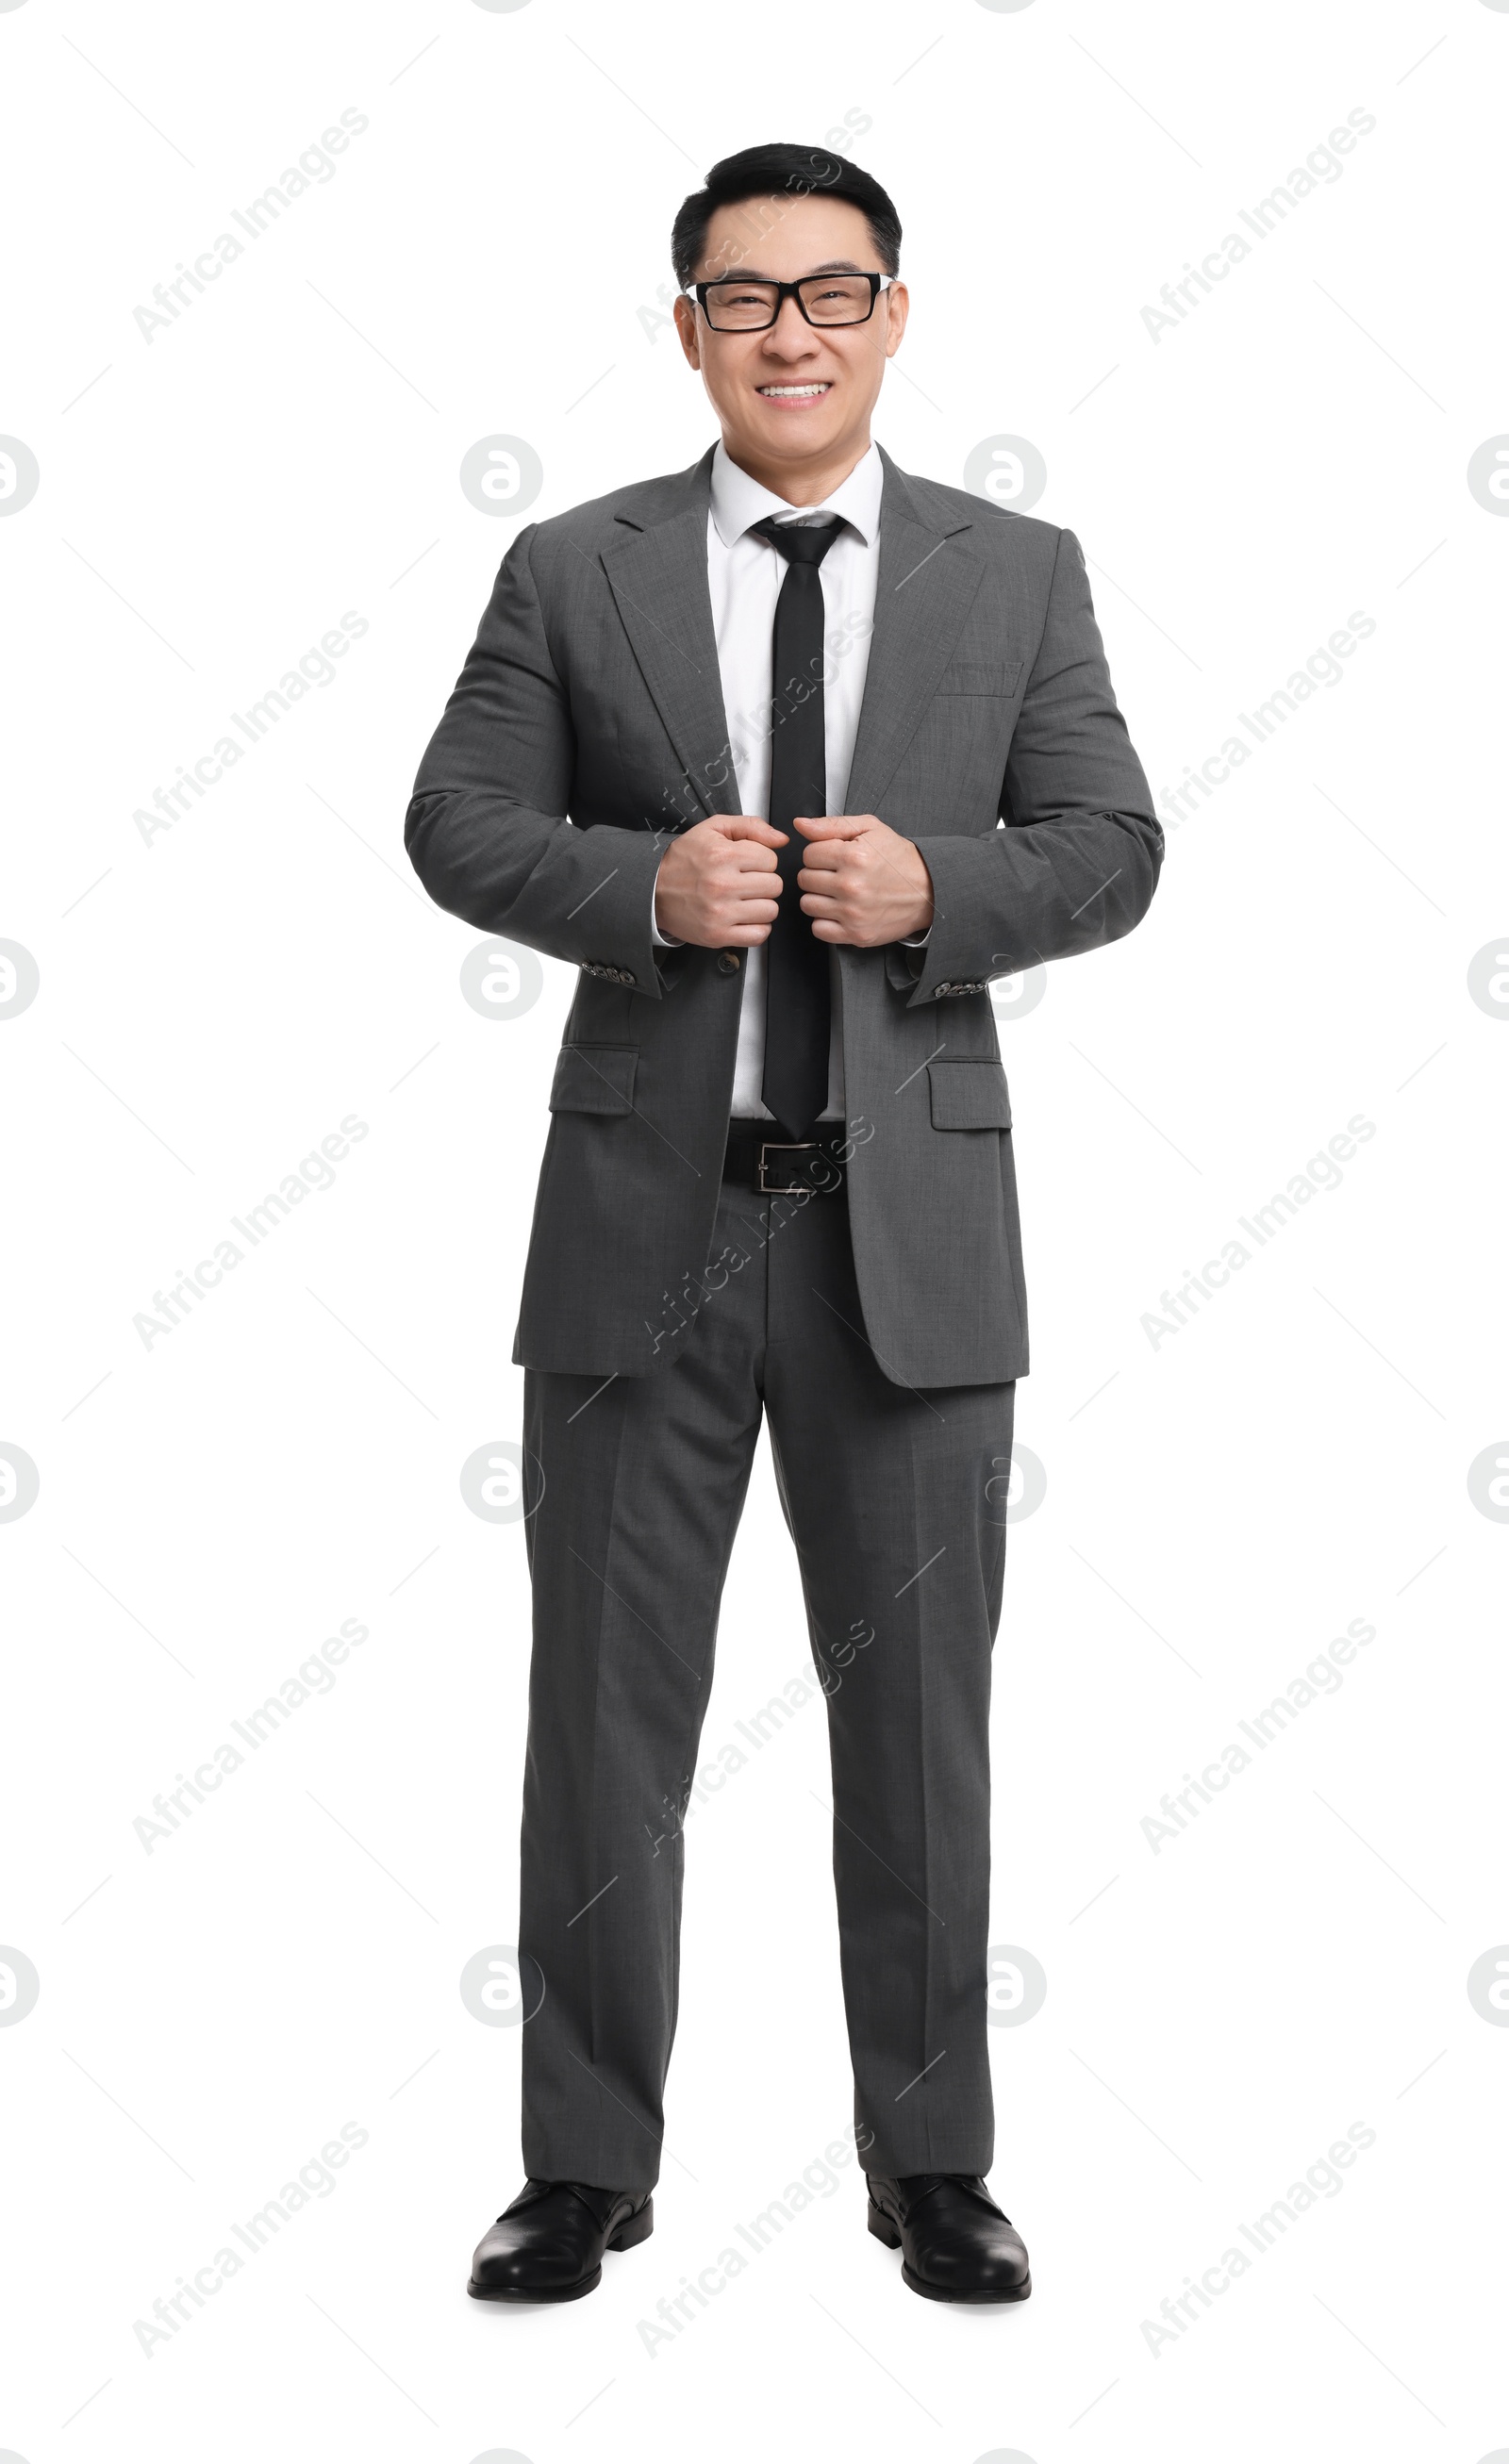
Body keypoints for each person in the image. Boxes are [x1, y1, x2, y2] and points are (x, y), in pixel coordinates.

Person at [406, 141, 1162, 2306]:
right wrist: (640, 891)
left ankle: (932, 2162)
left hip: (906, 1246)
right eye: (745, 299)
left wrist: (946, 888)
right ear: (688, 331)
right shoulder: (576, 565)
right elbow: (453, 818)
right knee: (601, 1719)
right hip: (646, 1233)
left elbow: (1108, 842)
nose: (791, 335)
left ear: (894, 316)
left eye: (832, 295)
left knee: (920, 1724)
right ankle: (578, 2163)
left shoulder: (1016, 570)